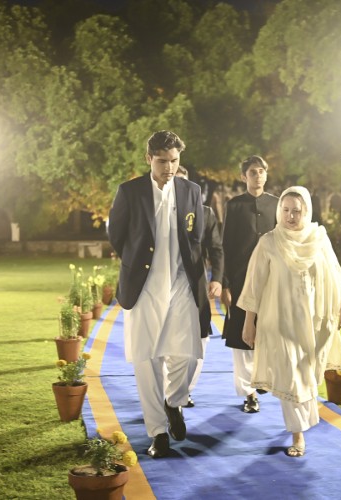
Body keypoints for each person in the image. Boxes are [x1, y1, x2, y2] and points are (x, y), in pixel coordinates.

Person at [107, 130, 205, 459]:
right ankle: (158, 432)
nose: (169, 168)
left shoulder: (191, 191)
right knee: (147, 359)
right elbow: (116, 234)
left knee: (188, 354)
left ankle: (173, 401)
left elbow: (197, 237)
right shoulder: (130, 192)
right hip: (144, 286)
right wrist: (137, 264)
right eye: (162, 161)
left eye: (174, 161)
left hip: (181, 283)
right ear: (149, 159)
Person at [238, 186, 341, 458]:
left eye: (296, 211)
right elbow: (254, 285)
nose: (290, 216)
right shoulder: (269, 242)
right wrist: (248, 322)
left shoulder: (320, 239)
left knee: (307, 375)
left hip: (316, 320)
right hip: (280, 320)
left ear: (307, 211)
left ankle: (303, 422)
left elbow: (335, 277)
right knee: (291, 375)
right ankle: (298, 433)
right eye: (286, 210)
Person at [221, 155, 278, 413]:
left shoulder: (277, 204)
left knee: (269, 332)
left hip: (271, 281)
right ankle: (249, 394)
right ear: (244, 176)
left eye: (261, 171)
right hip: (240, 281)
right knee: (240, 338)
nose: (258, 176)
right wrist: (225, 284)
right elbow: (226, 246)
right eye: (253, 172)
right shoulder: (234, 206)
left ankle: (265, 378)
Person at [175, 165, 224, 407]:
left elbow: (216, 249)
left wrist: (217, 279)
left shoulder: (205, 213)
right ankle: (169, 394)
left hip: (196, 286)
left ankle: (184, 390)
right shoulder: (156, 212)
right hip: (165, 288)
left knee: (200, 339)